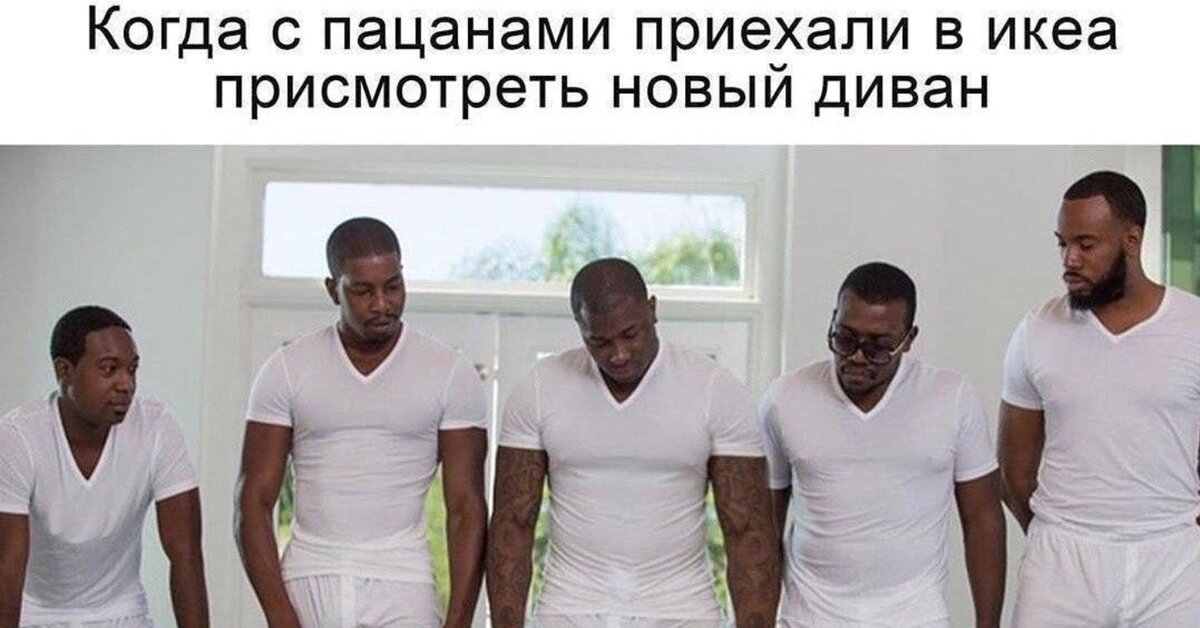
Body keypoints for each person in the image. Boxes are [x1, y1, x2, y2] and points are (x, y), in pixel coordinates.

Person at [487, 257, 779, 628]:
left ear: (652, 309)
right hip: (569, 609)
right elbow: (512, 525)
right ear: (580, 328)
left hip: (682, 612)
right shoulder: (540, 387)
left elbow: (747, 530)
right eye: (600, 342)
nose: (619, 354)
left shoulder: (715, 389)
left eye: (630, 334)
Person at [235, 217, 488, 628]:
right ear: (332, 289)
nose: (382, 303)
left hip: (403, 579)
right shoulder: (286, 369)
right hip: (309, 573)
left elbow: (466, 508)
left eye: (393, 286)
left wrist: (458, 621)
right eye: (363, 290)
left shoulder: (450, 372)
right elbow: (253, 500)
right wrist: (280, 617)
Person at [1000, 171, 1200, 627]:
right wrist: (1061, 540)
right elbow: (1014, 473)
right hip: (1061, 561)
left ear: (1132, 240)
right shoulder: (1036, 332)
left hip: (1172, 560)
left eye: (1086, 244)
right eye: (1062, 244)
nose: (1069, 259)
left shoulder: (1194, 326)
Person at [760, 262, 1005, 627]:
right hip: (809, 618)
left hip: (916, 617)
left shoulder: (951, 396)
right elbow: (763, 526)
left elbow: (983, 518)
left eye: (878, 347)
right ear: (833, 320)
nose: (857, 356)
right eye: (844, 339)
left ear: (909, 339)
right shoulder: (786, 398)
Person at [0, 306, 208, 628]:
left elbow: (185, 551)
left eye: (132, 369)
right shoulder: (20, 437)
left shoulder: (157, 426)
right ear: (64, 370)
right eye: (109, 369)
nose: (126, 384)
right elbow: (7, 568)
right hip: (36, 615)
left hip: (122, 613)